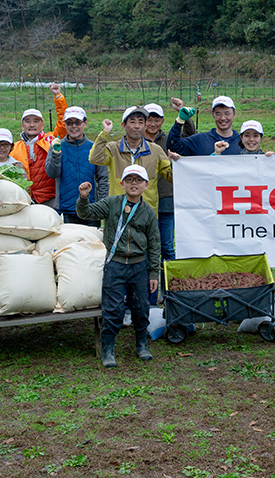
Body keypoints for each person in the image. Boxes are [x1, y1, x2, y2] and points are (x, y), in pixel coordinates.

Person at [76, 165, 161, 368]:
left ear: (146, 185)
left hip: (139, 266)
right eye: (129, 180)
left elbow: (154, 244)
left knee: (140, 308)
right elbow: (85, 213)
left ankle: (141, 344)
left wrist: (153, 273)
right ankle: (108, 349)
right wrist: (84, 197)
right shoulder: (112, 203)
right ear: (122, 184)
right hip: (115, 265)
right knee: (112, 309)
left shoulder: (148, 212)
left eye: (138, 180)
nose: (134, 183)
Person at [143, 103, 194, 304]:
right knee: (148, 249)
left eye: (157, 119)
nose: (153, 123)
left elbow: (189, 134)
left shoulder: (169, 140)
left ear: (163, 121)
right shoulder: (139, 141)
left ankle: (169, 291)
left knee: (167, 247)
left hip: (168, 199)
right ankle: (150, 293)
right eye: (149, 119)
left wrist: (185, 115)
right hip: (146, 201)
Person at [89, 106, 174, 214]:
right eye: (132, 122)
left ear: (145, 126)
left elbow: (171, 176)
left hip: (146, 213)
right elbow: (95, 158)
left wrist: (173, 164)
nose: (137, 126)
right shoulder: (113, 148)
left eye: (141, 122)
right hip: (118, 211)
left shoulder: (155, 150)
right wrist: (105, 132)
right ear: (124, 125)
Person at [46, 106, 109, 225]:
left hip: (91, 209)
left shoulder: (94, 148)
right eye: (69, 123)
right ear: (65, 124)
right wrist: (56, 154)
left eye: (77, 122)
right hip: (65, 209)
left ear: (85, 123)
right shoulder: (57, 146)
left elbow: (103, 179)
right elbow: (52, 173)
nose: (74, 126)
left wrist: (103, 205)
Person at [8, 83, 67, 206]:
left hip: (49, 198)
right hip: (23, 199)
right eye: (28, 121)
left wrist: (58, 96)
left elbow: (63, 123)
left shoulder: (50, 139)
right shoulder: (14, 147)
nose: (32, 125)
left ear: (42, 125)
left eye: (36, 121)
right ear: (22, 125)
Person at [166, 96, 241, 156]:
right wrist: (180, 121)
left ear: (234, 114)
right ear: (213, 115)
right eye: (218, 114)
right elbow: (173, 146)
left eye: (227, 113)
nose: (223, 118)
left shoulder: (243, 142)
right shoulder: (200, 140)